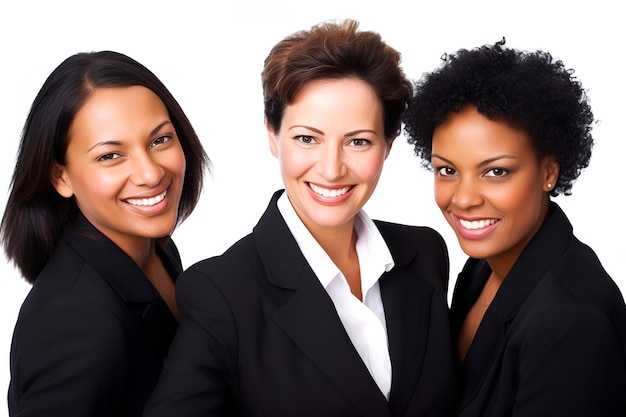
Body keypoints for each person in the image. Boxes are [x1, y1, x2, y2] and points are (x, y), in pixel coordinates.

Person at [145, 19, 458, 417]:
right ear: (272, 136)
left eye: (358, 141)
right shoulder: (222, 293)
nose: (331, 169)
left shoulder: (424, 254)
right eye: (307, 138)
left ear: (388, 145)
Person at [403, 38, 626, 416]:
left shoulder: (571, 324)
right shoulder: (483, 267)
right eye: (447, 170)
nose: (464, 198)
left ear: (548, 172)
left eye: (496, 171)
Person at [1, 50, 209, 416]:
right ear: (60, 176)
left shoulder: (154, 249)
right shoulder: (76, 324)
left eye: (160, 140)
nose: (150, 174)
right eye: (110, 156)